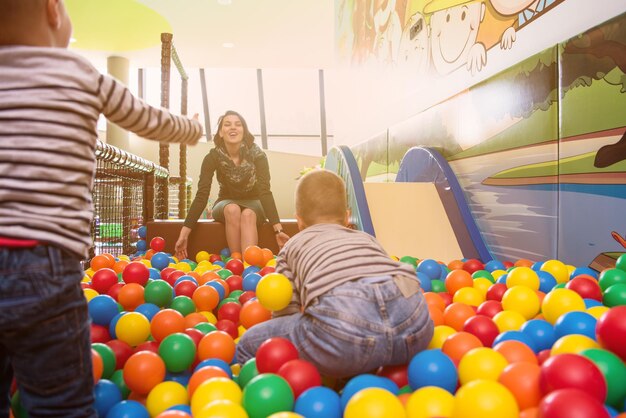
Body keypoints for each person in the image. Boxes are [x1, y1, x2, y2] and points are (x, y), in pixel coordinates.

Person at [0, 1, 203, 416]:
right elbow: (148, 120)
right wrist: (192, 128)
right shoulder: (79, 74)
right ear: (53, 11)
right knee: (59, 402)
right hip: (46, 263)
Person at [236, 169, 434, 378]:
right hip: (412, 317)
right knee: (376, 335)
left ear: (299, 221)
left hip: (344, 325)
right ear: (348, 217)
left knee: (248, 344)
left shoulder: (292, 246)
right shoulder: (366, 238)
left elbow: (287, 312)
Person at [175, 110, 289, 260]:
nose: (233, 128)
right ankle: (236, 264)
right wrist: (184, 234)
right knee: (232, 209)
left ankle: (249, 266)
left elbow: (265, 192)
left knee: (248, 214)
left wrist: (278, 230)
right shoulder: (212, 157)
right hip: (225, 202)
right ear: (221, 133)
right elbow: (202, 195)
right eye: (227, 125)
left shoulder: (258, 156)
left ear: (244, 131)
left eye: (238, 124)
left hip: (255, 202)